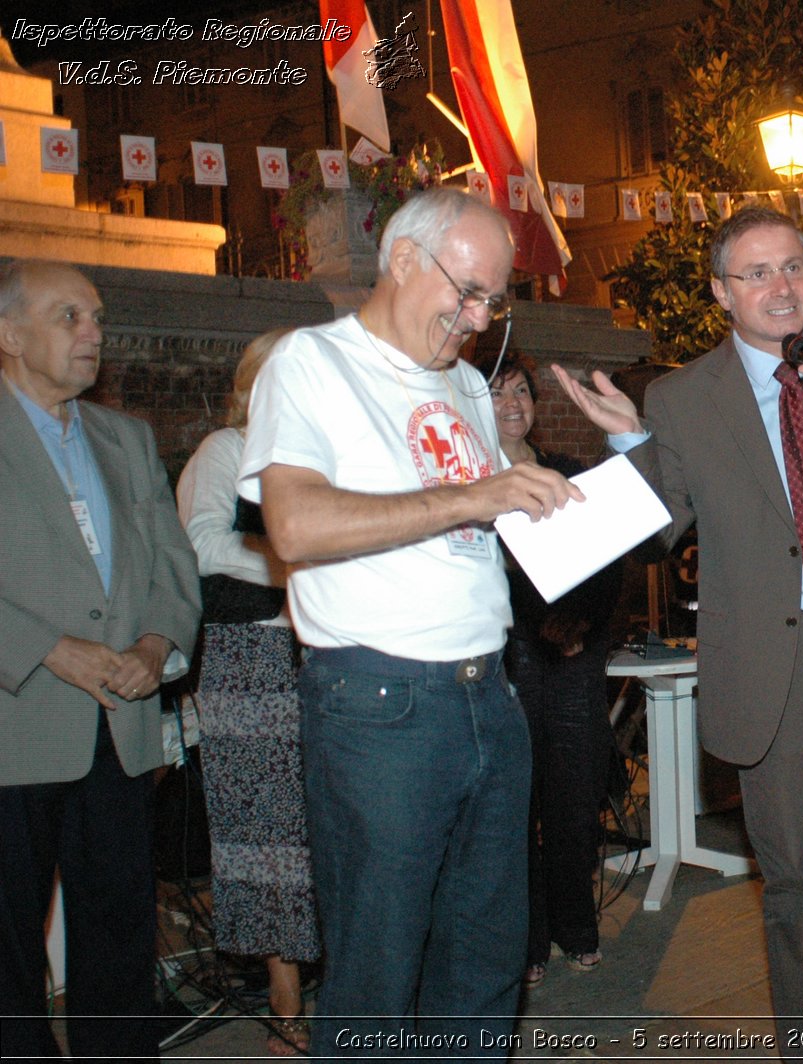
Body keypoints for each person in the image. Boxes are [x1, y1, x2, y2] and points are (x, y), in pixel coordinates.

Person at [555, 205, 803, 1059]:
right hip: (779, 664)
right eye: (759, 273)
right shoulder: (680, 397)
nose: (783, 287)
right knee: (797, 886)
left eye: (796, 267)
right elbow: (662, 532)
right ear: (721, 292)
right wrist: (629, 439)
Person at [236, 188, 583, 1057]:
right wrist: (477, 493)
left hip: (488, 697)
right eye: (466, 293)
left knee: (485, 961)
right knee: (377, 969)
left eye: (492, 301)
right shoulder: (311, 364)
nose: (474, 321)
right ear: (401, 261)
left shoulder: (464, 382)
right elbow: (297, 526)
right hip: (379, 706)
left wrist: (591, 488)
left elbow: (476, 529)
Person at [0, 259, 202, 1060]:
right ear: (10, 335)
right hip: (16, 726)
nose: (93, 335)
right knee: (9, 946)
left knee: (120, 934)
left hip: (120, 728)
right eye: (68, 317)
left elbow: (173, 563)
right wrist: (49, 650)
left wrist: (156, 643)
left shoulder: (127, 437)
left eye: (96, 317)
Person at [176, 329, 318, 1055]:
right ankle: (285, 996)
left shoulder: (321, 458)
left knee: (324, 826)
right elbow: (199, 543)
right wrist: (295, 566)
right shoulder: (225, 452)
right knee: (265, 836)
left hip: (321, 660)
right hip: (248, 663)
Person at [487, 355, 621, 986]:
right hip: (506, 653)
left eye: (521, 391)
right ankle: (528, 937)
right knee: (518, 802)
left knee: (574, 794)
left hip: (571, 654)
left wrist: (581, 627)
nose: (513, 404)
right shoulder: (469, 481)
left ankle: (576, 926)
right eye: (497, 393)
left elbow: (605, 559)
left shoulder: (564, 473)